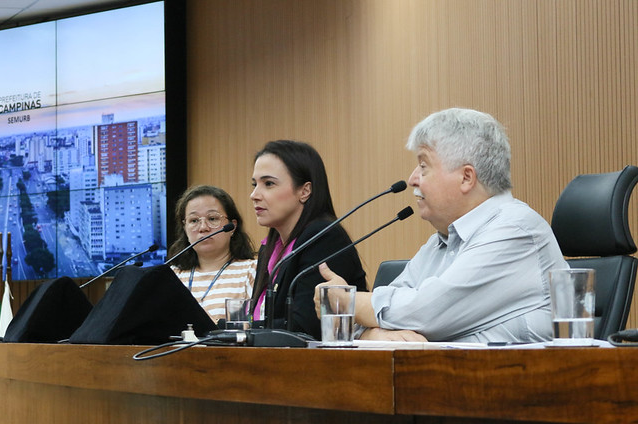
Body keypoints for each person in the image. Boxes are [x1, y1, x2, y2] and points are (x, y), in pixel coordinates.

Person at [315, 108, 568, 343]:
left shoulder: (515, 230)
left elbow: (425, 313)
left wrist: (344, 301)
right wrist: (375, 336)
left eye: (424, 166)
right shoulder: (442, 241)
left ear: (466, 177)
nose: (413, 179)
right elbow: (378, 318)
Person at [249, 140, 367, 339]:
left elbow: (304, 326)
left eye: (268, 184)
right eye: (254, 184)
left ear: (304, 191)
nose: (254, 195)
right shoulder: (270, 247)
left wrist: (240, 329)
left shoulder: (324, 237)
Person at [168, 185, 257, 323]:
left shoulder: (251, 271)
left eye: (212, 219)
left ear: (232, 226)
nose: (203, 228)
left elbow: (258, 327)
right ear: (185, 229)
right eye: (194, 221)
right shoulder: (172, 276)